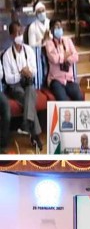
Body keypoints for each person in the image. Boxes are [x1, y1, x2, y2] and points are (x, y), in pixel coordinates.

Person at [2, 21, 41, 149]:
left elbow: (34, 70)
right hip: (15, 86)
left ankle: (26, 123)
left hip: (28, 82)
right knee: (24, 96)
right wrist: (20, 73)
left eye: (21, 32)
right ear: (12, 36)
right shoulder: (7, 55)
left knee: (30, 91)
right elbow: (7, 78)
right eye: (18, 33)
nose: (20, 35)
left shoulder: (29, 50)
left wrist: (28, 72)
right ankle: (35, 136)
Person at [45, 19, 83, 101]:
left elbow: (76, 56)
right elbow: (54, 59)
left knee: (79, 97)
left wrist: (64, 58)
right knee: (63, 100)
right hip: (56, 80)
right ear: (51, 30)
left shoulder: (68, 40)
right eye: (56, 27)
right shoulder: (49, 44)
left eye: (60, 26)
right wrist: (65, 55)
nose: (59, 28)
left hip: (69, 79)